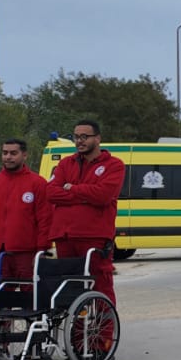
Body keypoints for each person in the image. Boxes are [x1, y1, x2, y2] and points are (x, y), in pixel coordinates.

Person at [47, 119, 125, 304]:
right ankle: (76, 323)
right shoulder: (66, 163)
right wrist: (85, 194)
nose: (79, 141)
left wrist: (71, 188)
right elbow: (50, 193)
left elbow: (103, 195)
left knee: (100, 284)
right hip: (65, 236)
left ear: (97, 138)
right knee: (69, 287)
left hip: (94, 236)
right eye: (76, 137)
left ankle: (104, 324)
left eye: (84, 136)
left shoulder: (114, 165)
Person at [0, 138, 51, 281]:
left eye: (13, 153)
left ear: (24, 155)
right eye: (5, 153)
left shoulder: (38, 183)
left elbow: (45, 219)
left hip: (27, 252)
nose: (8, 157)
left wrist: (42, 249)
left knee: (29, 290)